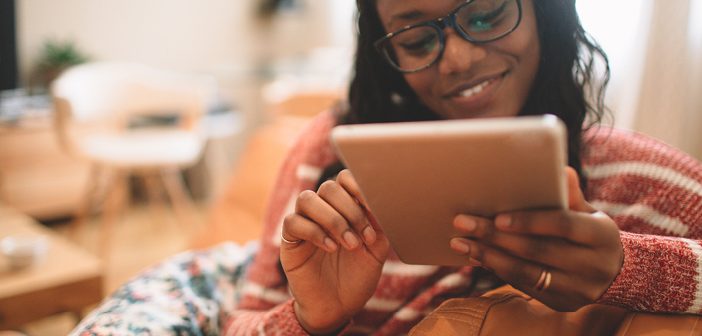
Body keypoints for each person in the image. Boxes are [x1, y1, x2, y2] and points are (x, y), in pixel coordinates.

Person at [72, 0, 702, 335]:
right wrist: (311, 319)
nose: (456, 59)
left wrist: (625, 267)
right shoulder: (331, 158)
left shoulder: (644, 183)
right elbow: (243, 323)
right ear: (384, 52)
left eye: (485, 14)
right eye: (417, 38)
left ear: (546, 11)